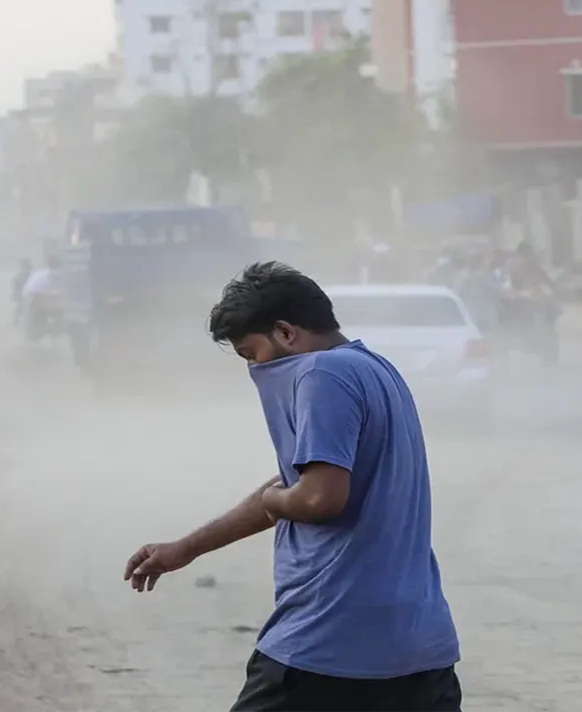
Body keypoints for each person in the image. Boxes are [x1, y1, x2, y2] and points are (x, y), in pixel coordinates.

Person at [124, 262, 462, 711]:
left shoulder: (323, 374)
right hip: (420, 649)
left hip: (329, 643)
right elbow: (295, 486)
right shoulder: (376, 369)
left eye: (250, 354)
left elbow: (318, 498)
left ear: (285, 332)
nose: (254, 368)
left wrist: (275, 499)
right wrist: (186, 548)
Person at [12, 258, 33, 327]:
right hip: (24, 294)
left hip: (24, 294)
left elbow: (15, 284)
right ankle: (17, 321)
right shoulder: (26, 275)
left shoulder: (20, 275)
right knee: (21, 307)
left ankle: (17, 321)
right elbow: (15, 285)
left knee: (20, 308)